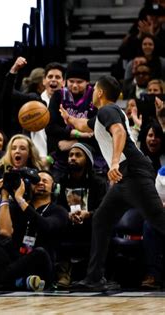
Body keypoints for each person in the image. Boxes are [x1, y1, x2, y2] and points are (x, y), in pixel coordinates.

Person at [59, 75, 165, 291]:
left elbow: (119, 132)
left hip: (132, 171)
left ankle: (95, 277)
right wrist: (69, 118)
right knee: (101, 219)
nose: (90, 91)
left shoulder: (108, 111)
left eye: (93, 89)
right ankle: (94, 278)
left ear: (100, 92)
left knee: (159, 221)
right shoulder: (102, 116)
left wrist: (114, 162)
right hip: (126, 175)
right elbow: (84, 125)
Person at [0, 171, 68, 291]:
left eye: (45, 181)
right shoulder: (17, 207)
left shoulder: (59, 211)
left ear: (54, 187)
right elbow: (4, 231)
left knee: (40, 253)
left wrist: (20, 199)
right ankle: (19, 282)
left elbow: (46, 226)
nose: (40, 183)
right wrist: (5, 196)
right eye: (37, 181)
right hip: (17, 259)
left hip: (41, 263)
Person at [55, 143, 108, 288]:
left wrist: (88, 214)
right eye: (71, 155)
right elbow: (56, 207)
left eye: (78, 155)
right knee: (52, 225)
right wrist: (66, 214)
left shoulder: (98, 183)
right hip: (68, 225)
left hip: (91, 225)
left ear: (88, 160)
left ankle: (96, 276)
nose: (72, 158)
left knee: (102, 227)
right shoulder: (62, 181)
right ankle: (63, 273)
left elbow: (105, 210)